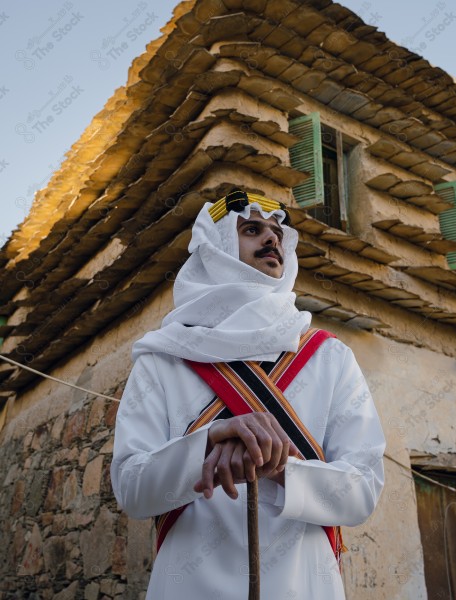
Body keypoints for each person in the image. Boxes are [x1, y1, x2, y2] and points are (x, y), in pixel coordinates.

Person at [111, 189, 385, 600]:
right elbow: (132, 488)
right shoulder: (163, 359)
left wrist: (278, 467)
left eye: (277, 232)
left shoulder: (329, 357)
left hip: (304, 585)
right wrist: (204, 449)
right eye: (252, 230)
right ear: (215, 245)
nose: (272, 240)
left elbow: (363, 491)